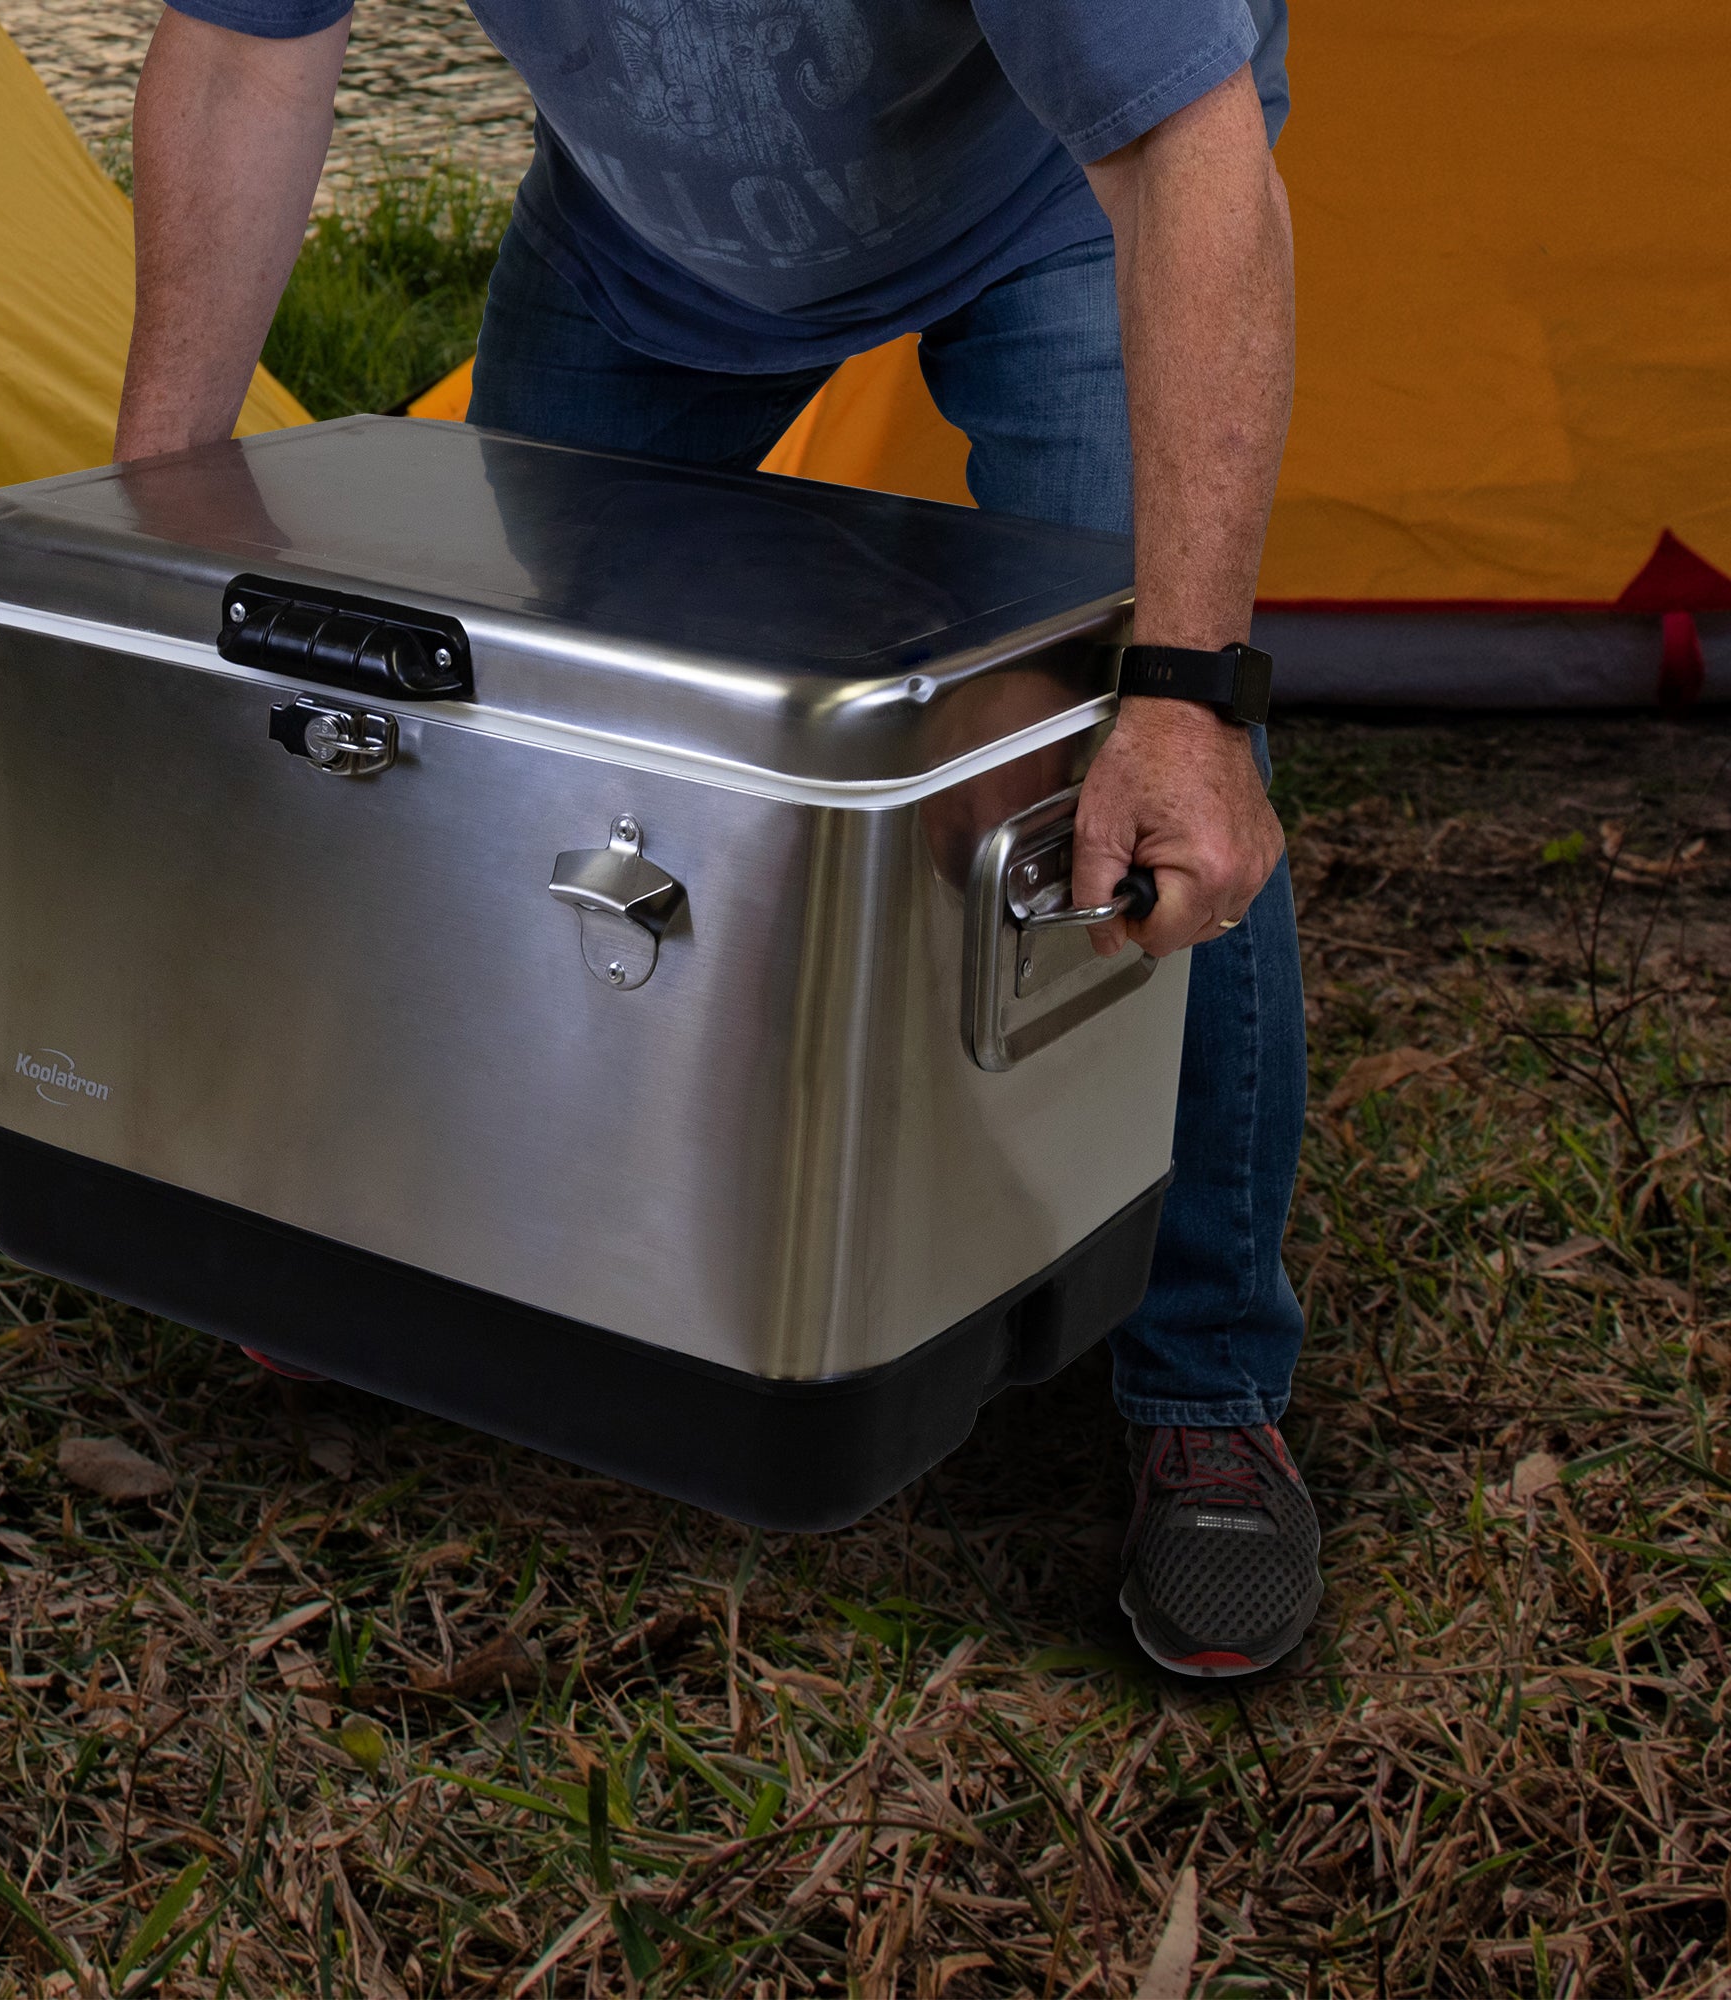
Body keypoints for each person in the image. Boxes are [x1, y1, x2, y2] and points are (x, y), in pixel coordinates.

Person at [113, 0, 1318, 1677]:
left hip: (1061, 196)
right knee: (493, 730)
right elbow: (248, 51)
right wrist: (155, 532)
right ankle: (411, 1234)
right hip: (644, 247)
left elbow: (1187, 152)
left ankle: (1206, 1381)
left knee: (1133, 764)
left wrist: (1186, 694)